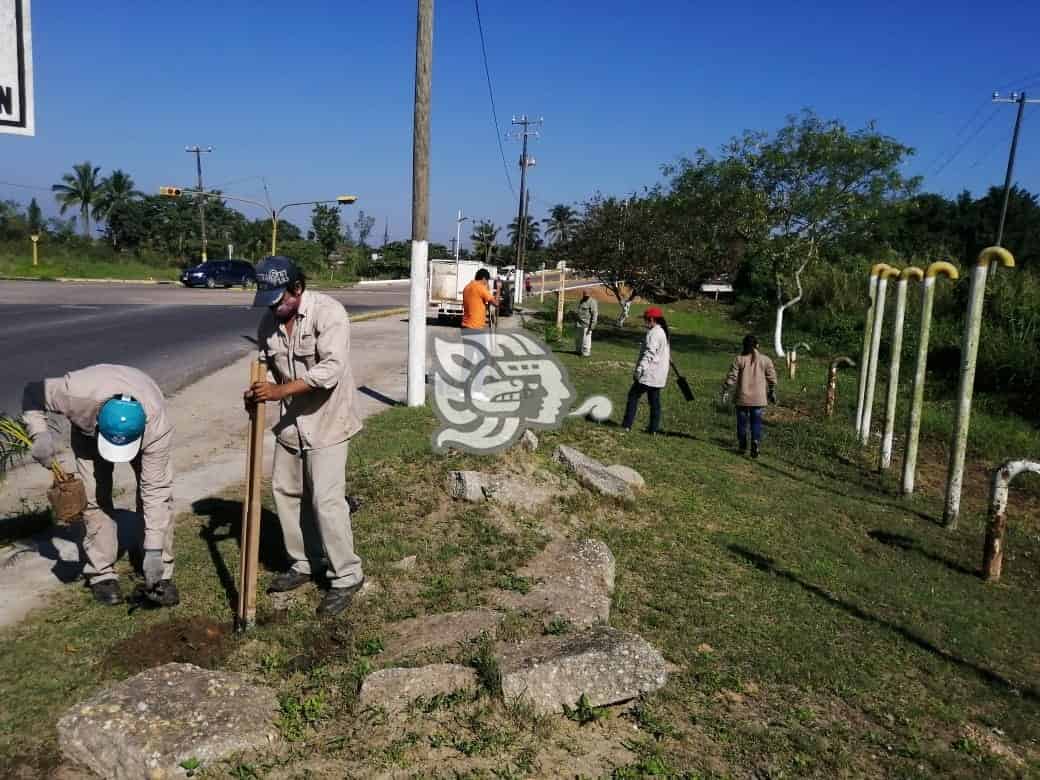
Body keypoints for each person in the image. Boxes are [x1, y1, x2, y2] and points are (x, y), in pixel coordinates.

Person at [245, 256, 364, 617]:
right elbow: (265, 364)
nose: (274, 308)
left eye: (279, 299)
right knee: (286, 494)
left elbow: (330, 371)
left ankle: (346, 575)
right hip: (291, 425)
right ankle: (303, 562)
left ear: (297, 288)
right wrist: (256, 390)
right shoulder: (270, 321)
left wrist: (280, 392)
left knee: (326, 502)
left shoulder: (329, 313)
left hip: (329, 421)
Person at [22, 365, 177, 606]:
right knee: (93, 498)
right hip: (89, 436)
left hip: (145, 425)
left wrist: (154, 550)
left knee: (157, 497)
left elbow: (155, 492)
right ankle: (101, 573)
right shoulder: (74, 394)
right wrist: (40, 435)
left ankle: (159, 571)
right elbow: (32, 393)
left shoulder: (156, 427)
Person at [722, 334, 778, 458]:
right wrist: (772, 391)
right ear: (757, 345)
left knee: (742, 422)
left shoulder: (739, 359)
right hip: (759, 398)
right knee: (756, 422)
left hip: (742, 397)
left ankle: (742, 445)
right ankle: (755, 442)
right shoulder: (766, 360)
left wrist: (726, 389)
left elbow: (732, 377)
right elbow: (772, 378)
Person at [621, 307, 670, 434]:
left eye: (646, 320)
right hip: (658, 375)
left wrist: (640, 369)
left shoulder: (653, 333)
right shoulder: (663, 332)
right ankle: (653, 429)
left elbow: (649, 354)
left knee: (633, 396)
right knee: (654, 402)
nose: (645, 322)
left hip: (649, 373)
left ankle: (627, 425)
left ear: (652, 319)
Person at [575, 290, 599, 357]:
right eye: (585, 295)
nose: (586, 297)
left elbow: (595, 314)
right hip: (579, 323)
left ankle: (586, 353)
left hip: (587, 325)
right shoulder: (581, 301)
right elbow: (579, 311)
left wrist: (592, 326)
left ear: (590, 295)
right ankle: (578, 351)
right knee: (578, 339)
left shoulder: (592, 302)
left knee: (586, 340)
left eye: (587, 295)